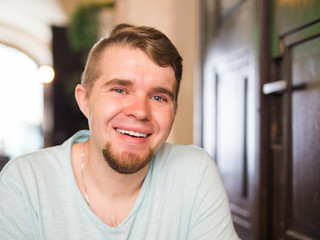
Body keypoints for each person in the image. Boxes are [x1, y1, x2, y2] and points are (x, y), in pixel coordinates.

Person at [0, 23, 239, 239]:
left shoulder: (195, 173)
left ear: (174, 111)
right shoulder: (25, 181)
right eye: (120, 90)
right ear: (84, 101)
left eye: (158, 97)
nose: (140, 112)